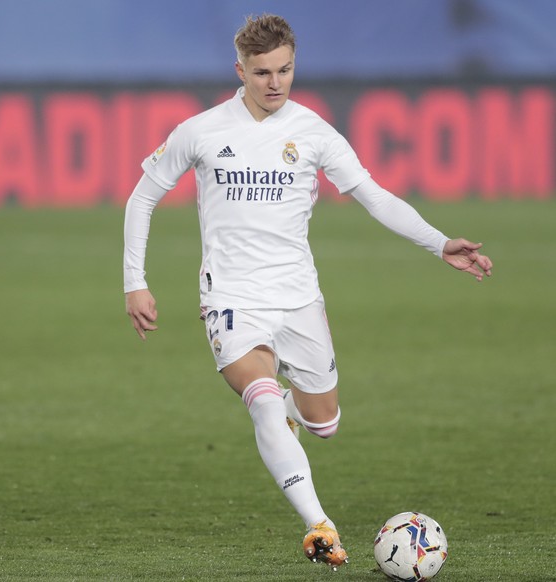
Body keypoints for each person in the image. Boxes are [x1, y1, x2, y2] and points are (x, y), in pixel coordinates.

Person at [123, 14, 492, 570]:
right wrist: (135, 281)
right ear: (240, 71)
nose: (275, 82)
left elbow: (375, 196)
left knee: (324, 423)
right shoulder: (201, 131)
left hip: (299, 299)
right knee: (264, 402)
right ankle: (319, 526)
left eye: (286, 69)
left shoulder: (314, 132)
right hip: (231, 299)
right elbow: (142, 197)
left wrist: (439, 244)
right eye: (263, 72)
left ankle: (293, 423)